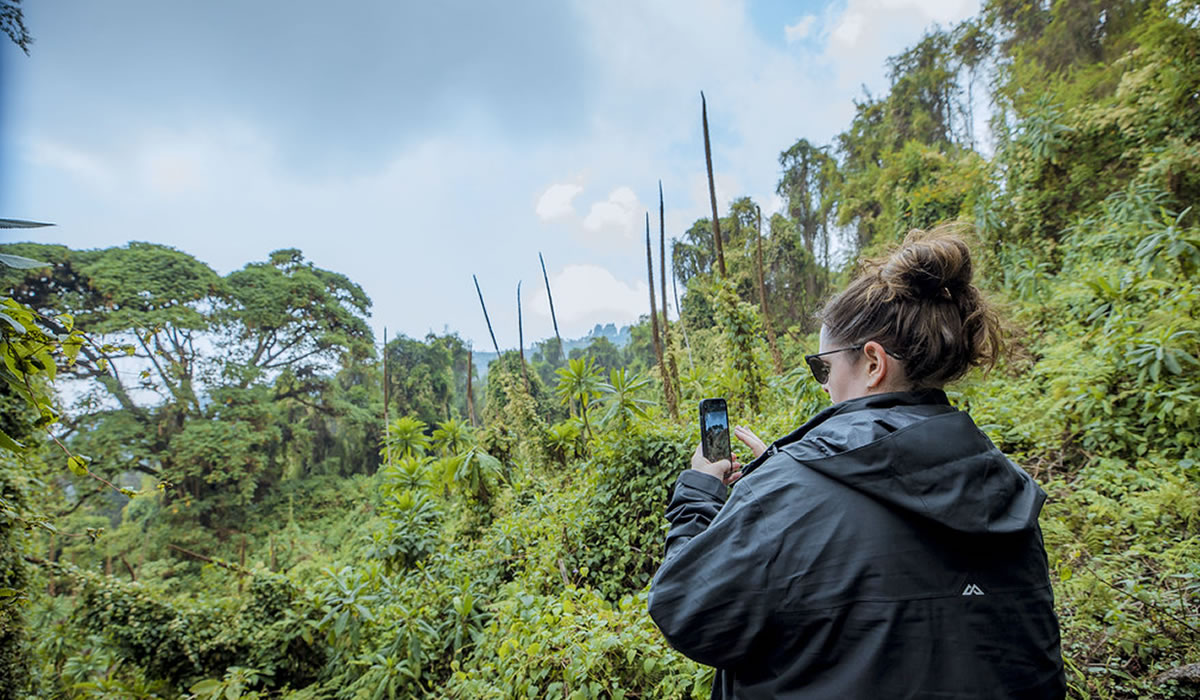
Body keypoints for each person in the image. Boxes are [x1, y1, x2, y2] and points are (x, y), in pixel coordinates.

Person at [647, 227, 1065, 699]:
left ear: (872, 363)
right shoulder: (1003, 485)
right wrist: (785, 476)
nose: (824, 384)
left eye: (823, 367)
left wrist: (702, 492)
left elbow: (684, 609)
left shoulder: (785, 493)